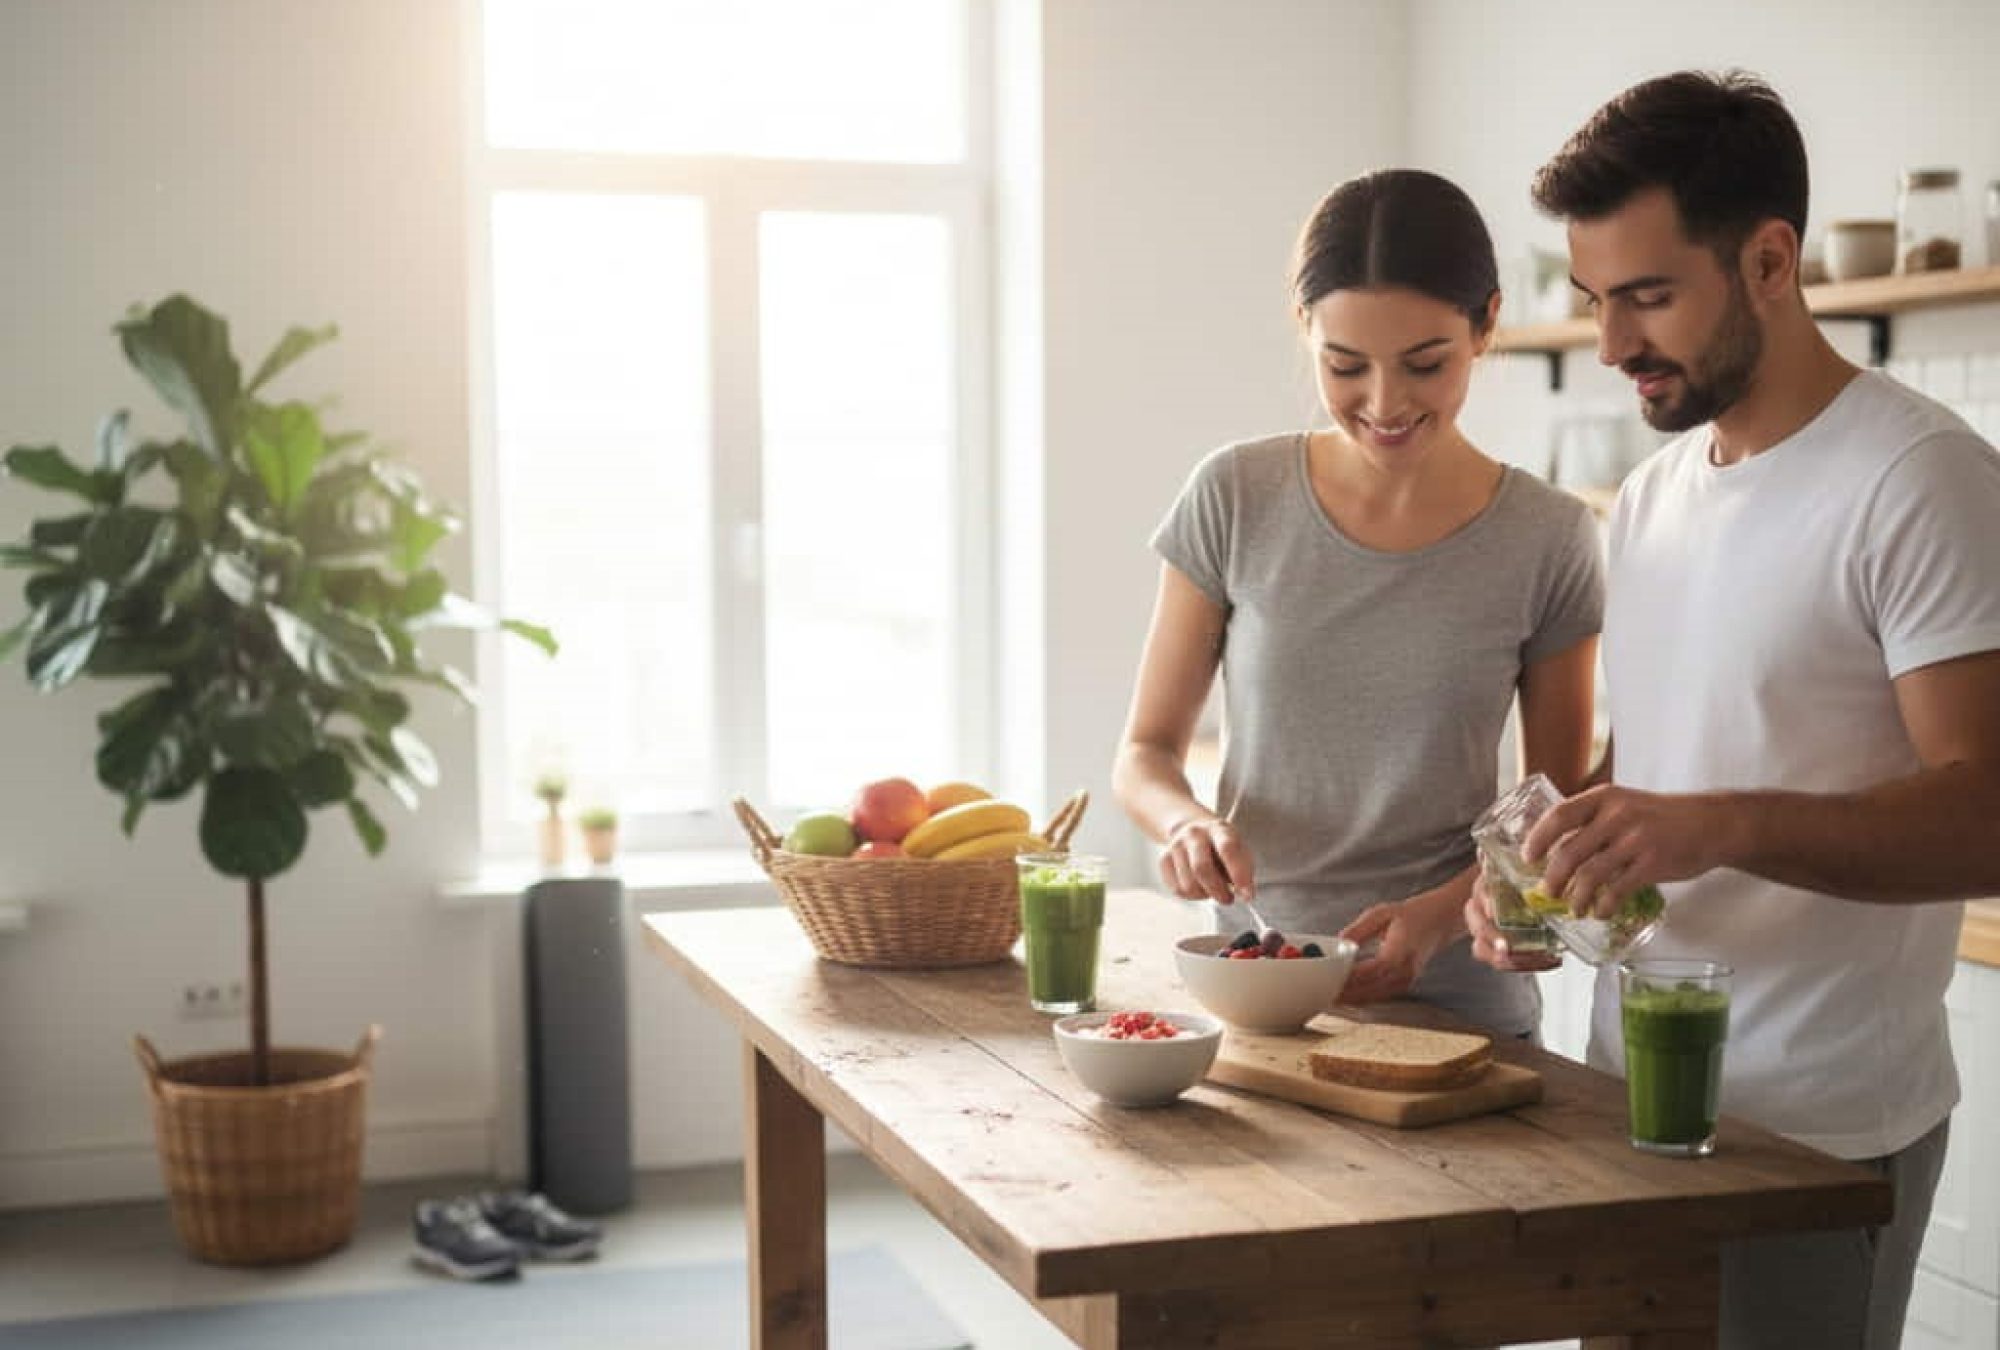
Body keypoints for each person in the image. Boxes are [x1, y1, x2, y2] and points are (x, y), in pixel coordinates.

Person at [1464, 70, 2000, 1349]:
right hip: (1629, 1105)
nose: (1608, 345)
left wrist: (1711, 826)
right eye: (1595, 301)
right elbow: (1654, 762)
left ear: (1768, 259)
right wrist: (1548, 868)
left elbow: (1985, 816)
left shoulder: (1919, 480)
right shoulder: (1649, 497)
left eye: (1646, 297)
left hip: (1813, 1134)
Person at [1112, 168, 1604, 1037]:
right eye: (1345, 366)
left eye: (1426, 364)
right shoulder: (1234, 495)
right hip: (1253, 992)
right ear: (1305, 328)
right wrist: (1185, 822)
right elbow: (1145, 754)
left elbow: (1550, 809)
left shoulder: (1549, 536)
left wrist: (1445, 913)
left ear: (1486, 323)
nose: (1385, 404)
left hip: (1459, 1009)